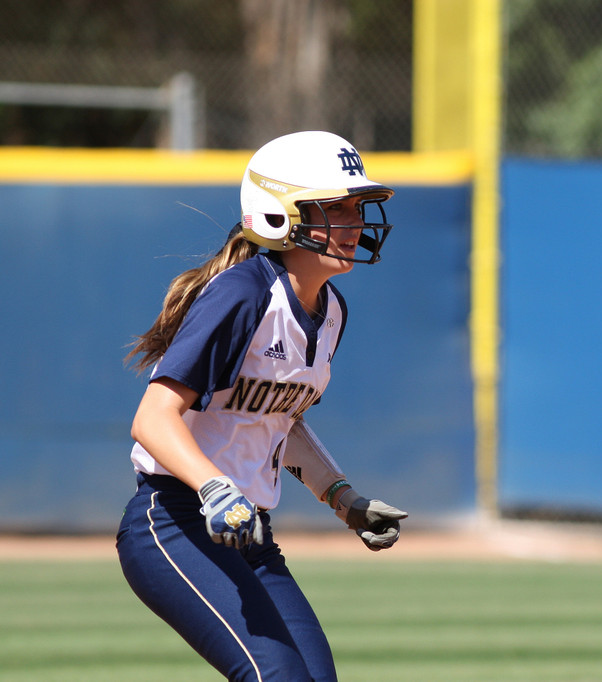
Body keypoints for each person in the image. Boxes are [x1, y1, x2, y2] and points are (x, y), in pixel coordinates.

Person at [116, 131, 408, 681]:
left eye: (357, 207)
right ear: (279, 215)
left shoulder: (331, 310)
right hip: (176, 523)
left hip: (249, 533)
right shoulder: (244, 292)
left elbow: (278, 419)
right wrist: (214, 487)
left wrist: (343, 498)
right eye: (335, 208)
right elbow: (152, 418)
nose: (354, 222)